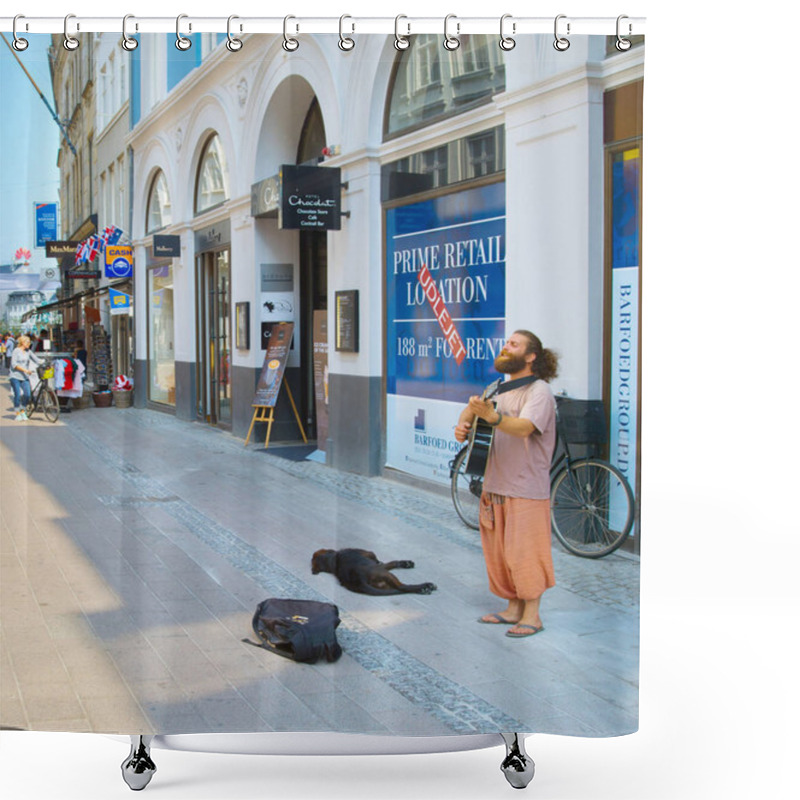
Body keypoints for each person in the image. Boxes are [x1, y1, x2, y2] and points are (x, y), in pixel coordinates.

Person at [455, 330, 560, 639]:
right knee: (501, 553)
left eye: (514, 344)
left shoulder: (539, 391)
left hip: (525, 487)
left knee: (525, 553)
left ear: (530, 357)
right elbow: (472, 410)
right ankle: (513, 608)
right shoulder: (496, 387)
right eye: (506, 343)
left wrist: (495, 418)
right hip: (495, 483)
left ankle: (533, 615)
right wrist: (464, 424)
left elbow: (526, 427)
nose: (505, 347)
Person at [9, 334, 43, 422]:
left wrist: (45, 362)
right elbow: (14, 365)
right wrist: (25, 370)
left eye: (29, 342)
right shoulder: (16, 351)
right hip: (15, 376)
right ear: (22, 342)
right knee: (18, 395)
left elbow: (36, 360)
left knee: (27, 394)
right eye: (27, 342)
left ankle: (23, 411)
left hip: (25, 377)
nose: (29, 344)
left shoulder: (28, 351)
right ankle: (17, 413)